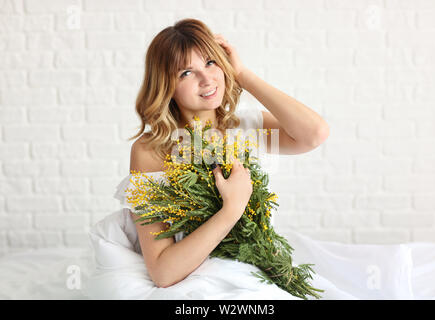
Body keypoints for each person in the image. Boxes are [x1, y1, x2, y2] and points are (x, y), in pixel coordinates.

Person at [91, 18, 329, 296]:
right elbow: (163, 273)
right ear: (166, 85)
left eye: (210, 62)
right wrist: (232, 209)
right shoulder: (151, 150)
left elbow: (315, 133)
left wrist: (241, 73)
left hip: (247, 263)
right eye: (186, 73)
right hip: (190, 272)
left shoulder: (245, 126)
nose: (206, 79)